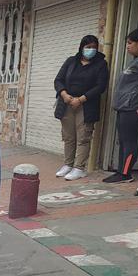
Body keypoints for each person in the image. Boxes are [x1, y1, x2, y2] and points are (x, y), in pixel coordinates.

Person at [104, 28, 138, 183]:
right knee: (123, 139)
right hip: (124, 106)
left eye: (130, 43)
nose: (127, 46)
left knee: (129, 140)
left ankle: (125, 173)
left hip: (134, 107)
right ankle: (121, 171)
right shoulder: (136, 60)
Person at [53, 35, 109, 181]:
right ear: (81, 47)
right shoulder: (71, 61)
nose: (91, 50)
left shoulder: (101, 64)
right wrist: (64, 94)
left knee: (83, 136)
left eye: (94, 47)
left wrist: (82, 99)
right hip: (67, 102)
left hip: (86, 104)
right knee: (68, 136)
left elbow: (100, 86)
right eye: (88, 47)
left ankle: (79, 168)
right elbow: (58, 80)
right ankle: (68, 165)